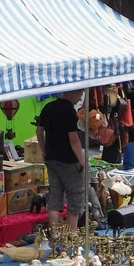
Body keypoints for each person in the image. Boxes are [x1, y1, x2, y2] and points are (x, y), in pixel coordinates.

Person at [37, 89, 86, 233]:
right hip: (69, 160)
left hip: (51, 157)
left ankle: (54, 232)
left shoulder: (48, 107)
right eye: (79, 93)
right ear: (71, 93)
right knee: (76, 193)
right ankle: (73, 232)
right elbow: (74, 139)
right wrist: (81, 161)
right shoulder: (70, 112)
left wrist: (44, 151)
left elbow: (39, 131)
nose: (80, 97)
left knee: (55, 194)